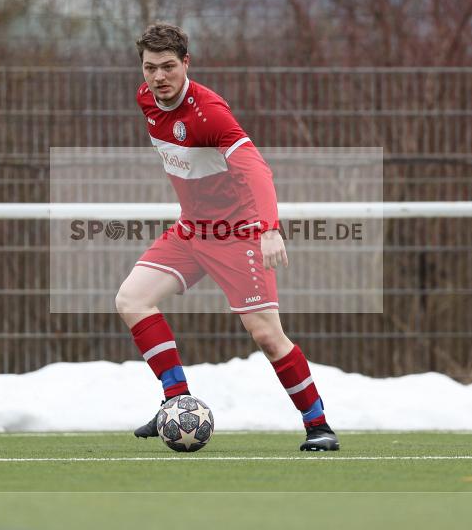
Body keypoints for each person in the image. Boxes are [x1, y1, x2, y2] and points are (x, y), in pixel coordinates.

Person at [115, 22, 339, 451]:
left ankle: (318, 425)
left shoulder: (209, 114)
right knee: (131, 299)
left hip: (237, 235)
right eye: (149, 68)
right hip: (191, 230)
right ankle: (177, 402)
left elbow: (256, 169)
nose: (158, 77)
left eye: (167, 67)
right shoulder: (146, 98)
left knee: (266, 335)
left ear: (186, 64)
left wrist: (269, 229)